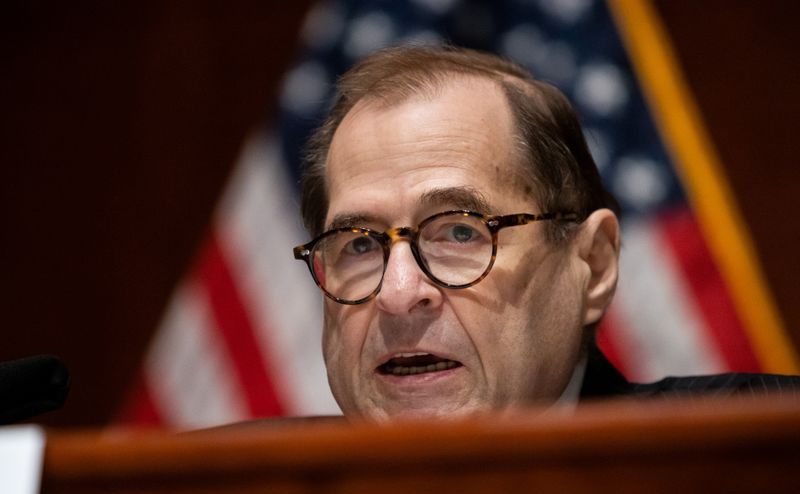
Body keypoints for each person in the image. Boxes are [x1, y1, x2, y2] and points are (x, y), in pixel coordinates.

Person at [293, 45, 799, 421]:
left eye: (460, 233)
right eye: (360, 243)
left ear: (594, 264)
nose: (399, 293)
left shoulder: (763, 458)